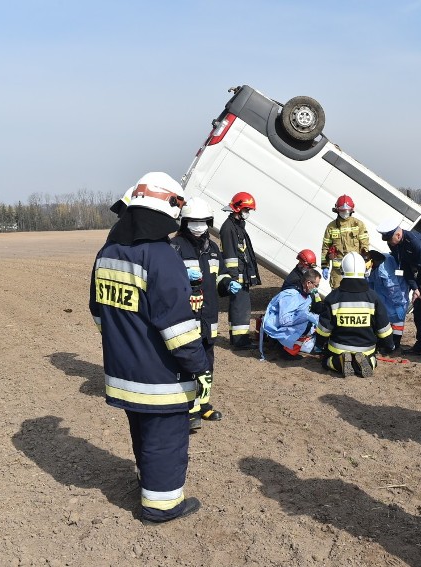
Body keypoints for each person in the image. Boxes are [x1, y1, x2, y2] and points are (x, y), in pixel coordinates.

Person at [89, 172, 207, 524]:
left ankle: (146, 480)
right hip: (160, 377)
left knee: (141, 430)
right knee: (166, 439)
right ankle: (162, 505)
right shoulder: (160, 257)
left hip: (122, 372)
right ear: (168, 208)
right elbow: (179, 329)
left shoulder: (107, 252)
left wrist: (124, 341)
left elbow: (99, 314)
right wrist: (199, 365)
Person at [170, 196, 241, 428]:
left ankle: (203, 405)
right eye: (193, 221)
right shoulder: (175, 247)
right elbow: (166, 282)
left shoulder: (212, 249)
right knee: (186, 363)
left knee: (207, 362)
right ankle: (187, 410)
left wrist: (227, 283)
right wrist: (183, 278)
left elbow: (219, 275)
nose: (199, 226)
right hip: (185, 317)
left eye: (203, 221)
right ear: (185, 222)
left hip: (208, 317)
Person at [376, 219, 421, 363]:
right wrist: (415, 288)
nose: (389, 243)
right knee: (419, 307)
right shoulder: (395, 244)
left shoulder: (414, 241)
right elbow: (404, 266)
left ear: (398, 235)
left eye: (390, 239)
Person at [315, 252, 394, 377]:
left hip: (337, 349)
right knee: (373, 360)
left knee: (326, 362)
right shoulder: (373, 297)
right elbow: (383, 329)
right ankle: (368, 361)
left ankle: (339, 362)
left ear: (342, 270)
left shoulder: (333, 297)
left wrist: (319, 344)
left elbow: (324, 330)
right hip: (366, 349)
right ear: (364, 270)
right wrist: (389, 345)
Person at [219, 191, 261, 350]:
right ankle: (239, 341)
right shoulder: (229, 228)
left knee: (242, 308)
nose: (248, 213)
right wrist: (234, 279)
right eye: (246, 210)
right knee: (239, 308)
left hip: (242, 275)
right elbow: (230, 257)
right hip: (237, 277)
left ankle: (241, 338)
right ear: (237, 209)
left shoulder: (237, 226)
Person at [261, 268, 322, 360]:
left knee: (311, 324)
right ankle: (286, 351)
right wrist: (305, 317)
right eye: (316, 285)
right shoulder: (292, 295)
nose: (316, 289)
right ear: (308, 283)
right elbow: (284, 320)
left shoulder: (306, 295)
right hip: (276, 324)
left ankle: (286, 345)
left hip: (287, 322)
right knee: (306, 326)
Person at [320, 195, 370, 289]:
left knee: (355, 296)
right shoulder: (331, 227)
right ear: (337, 210)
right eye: (342, 210)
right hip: (338, 272)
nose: (345, 213)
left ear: (351, 210)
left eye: (347, 210)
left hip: (355, 270)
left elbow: (365, 246)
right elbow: (325, 248)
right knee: (337, 297)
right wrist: (325, 266)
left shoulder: (358, 224)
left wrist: (366, 265)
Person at [366, 250, 409, 352]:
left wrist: (398, 303)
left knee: (397, 319)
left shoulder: (384, 266)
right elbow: (369, 283)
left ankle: (395, 342)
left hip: (397, 294)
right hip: (382, 293)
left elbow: (392, 286)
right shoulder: (372, 265)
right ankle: (385, 342)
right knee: (384, 318)